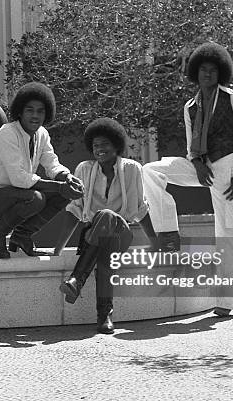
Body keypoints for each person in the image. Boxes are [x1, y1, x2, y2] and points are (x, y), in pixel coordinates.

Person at [141, 42, 233, 317]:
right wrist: (197, 165)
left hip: (228, 168)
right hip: (201, 167)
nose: (207, 73)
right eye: (203, 69)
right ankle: (168, 234)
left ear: (220, 72)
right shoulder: (190, 106)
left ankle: (227, 302)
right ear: (196, 72)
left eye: (213, 69)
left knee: (228, 233)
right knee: (151, 170)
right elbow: (192, 146)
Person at [54, 118, 150, 334]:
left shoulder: (133, 169)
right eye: (96, 145)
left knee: (106, 216)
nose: (100, 149)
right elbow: (74, 209)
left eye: (105, 144)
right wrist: (57, 249)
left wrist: (157, 243)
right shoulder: (84, 170)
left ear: (117, 144)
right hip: (96, 237)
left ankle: (78, 279)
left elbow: (141, 210)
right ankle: (104, 315)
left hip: (122, 232)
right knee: (105, 250)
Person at [0, 82, 84, 259]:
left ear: (47, 113)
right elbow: (19, 179)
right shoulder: (7, 133)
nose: (35, 116)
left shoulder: (42, 134)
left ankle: (21, 236)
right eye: (30, 110)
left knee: (64, 193)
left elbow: (52, 164)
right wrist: (58, 186)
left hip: (19, 193)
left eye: (40, 111)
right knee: (36, 198)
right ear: (19, 111)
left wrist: (67, 178)